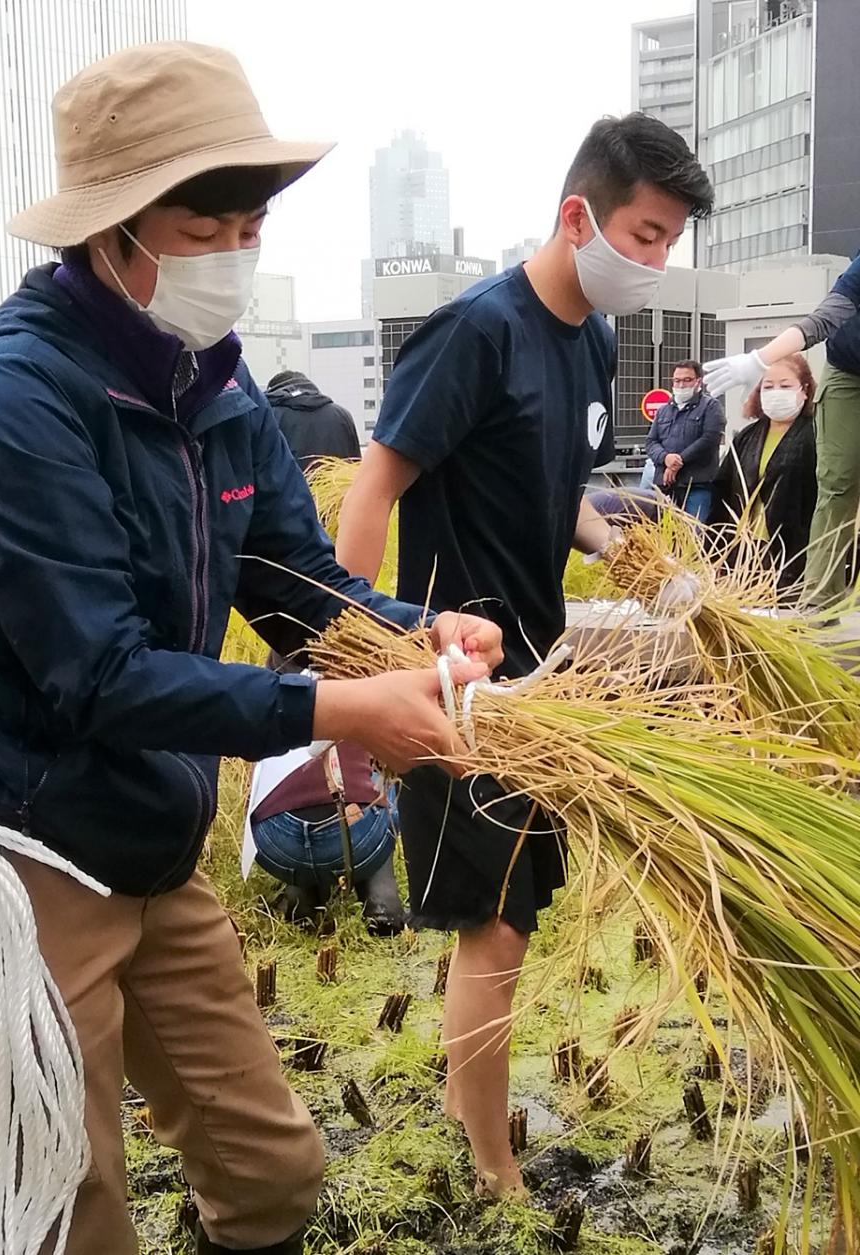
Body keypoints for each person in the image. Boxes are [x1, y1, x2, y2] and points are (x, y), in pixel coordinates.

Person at [0, 42, 503, 1255]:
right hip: (23, 859)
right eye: (202, 219)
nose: (232, 247)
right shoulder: (14, 403)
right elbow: (98, 673)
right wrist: (343, 710)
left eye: (248, 221)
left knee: (272, 1171)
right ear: (111, 230)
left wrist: (410, 635)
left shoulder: (217, 393)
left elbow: (294, 581)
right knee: (63, 1210)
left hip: (155, 849)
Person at [336, 112, 713, 1197]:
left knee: (514, 908)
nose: (652, 262)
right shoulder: (475, 333)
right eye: (642, 235)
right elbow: (374, 487)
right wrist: (364, 673)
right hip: (455, 687)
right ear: (576, 214)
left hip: (541, 683)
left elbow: (554, 498)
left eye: (666, 244)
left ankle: (470, 1105)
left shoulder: (589, 341)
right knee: (492, 925)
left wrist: (632, 557)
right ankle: (495, 1166)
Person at [703, 250, 860, 608]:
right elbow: (822, 320)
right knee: (837, 481)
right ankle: (820, 603)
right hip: (850, 369)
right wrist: (760, 358)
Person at [247, 743, 405, 934]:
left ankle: (301, 896)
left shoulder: (272, 714)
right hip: (355, 836)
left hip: (276, 844)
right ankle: (380, 899)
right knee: (387, 772)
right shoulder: (363, 711)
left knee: (277, 780)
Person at [708, 353, 817, 596]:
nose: (776, 392)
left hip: (794, 553)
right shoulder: (747, 437)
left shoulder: (818, 435)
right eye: (768, 386)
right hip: (745, 553)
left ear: (805, 389)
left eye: (785, 386)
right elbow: (722, 492)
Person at [643, 360, 725, 518]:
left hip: (697, 486)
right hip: (665, 487)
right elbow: (651, 442)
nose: (681, 385)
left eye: (687, 380)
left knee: (693, 535)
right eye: (677, 380)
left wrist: (678, 461)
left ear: (698, 381)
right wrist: (665, 458)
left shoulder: (711, 407)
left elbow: (710, 438)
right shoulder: (663, 411)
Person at [265, 370, 361, 470]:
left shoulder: (270, 417)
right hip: (336, 484)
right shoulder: (342, 415)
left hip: (287, 485)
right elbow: (356, 468)